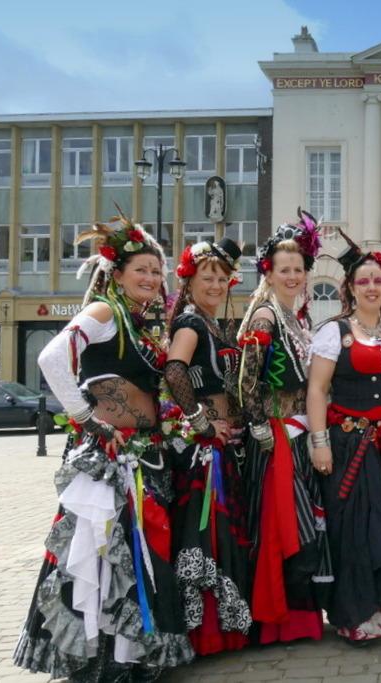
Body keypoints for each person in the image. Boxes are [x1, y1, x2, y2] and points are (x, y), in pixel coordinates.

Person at [14, 216, 193, 679]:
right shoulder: (104, 313)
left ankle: (129, 657)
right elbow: (52, 357)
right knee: (103, 557)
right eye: (141, 270)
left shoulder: (139, 322)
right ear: (117, 273)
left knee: (134, 557)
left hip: (144, 455)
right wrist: (85, 418)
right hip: (111, 459)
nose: (151, 278)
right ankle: (100, 662)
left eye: (156, 271)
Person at [307, 233, 381, 645]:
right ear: (350, 288)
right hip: (348, 444)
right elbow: (318, 390)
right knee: (353, 529)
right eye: (364, 281)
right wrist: (320, 442)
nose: (372, 287)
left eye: (378, 281)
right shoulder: (335, 332)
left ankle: (380, 607)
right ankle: (355, 614)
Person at [237, 211, 332, 644]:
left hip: (297, 437)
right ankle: (278, 621)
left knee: (300, 524)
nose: (292, 276)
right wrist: (258, 424)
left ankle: (300, 620)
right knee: (286, 527)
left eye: (298, 269)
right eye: (284, 270)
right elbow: (246, 377)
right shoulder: (265, 315)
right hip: (276, 439)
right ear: (269, 273)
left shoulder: (295, 317)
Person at [164, 237, 251, 655]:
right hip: (203, 451)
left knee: (221, 533)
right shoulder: (191, 323)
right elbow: (174, 370)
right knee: (204, 534)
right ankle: (207, 633)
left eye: (222, 278)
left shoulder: (213, 323)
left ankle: (226, 626)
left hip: (223, 444)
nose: (216, 285)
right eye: (208, 278)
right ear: (189, 281)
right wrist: (200, 422)